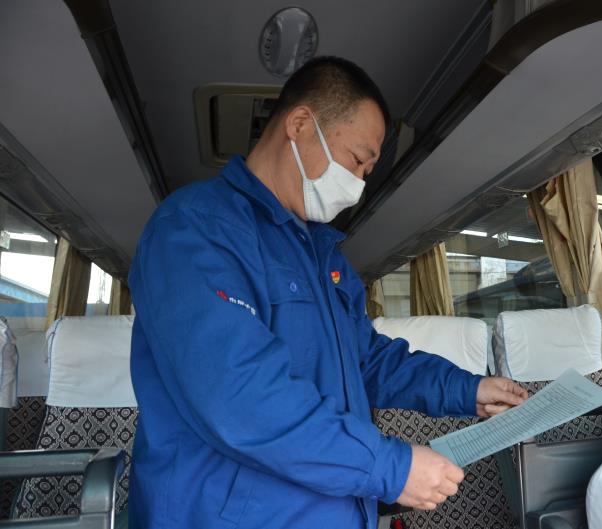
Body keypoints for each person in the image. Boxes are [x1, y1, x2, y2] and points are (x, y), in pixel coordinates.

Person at [127, 56, 528, 529]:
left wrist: (467, 389)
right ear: (300, 124)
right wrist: (390, 468)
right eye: (357, 161)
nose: (358, 186)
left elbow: (367, 362)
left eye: (367, 173)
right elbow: (238, 396)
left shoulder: (323, 258)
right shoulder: (195, 229)